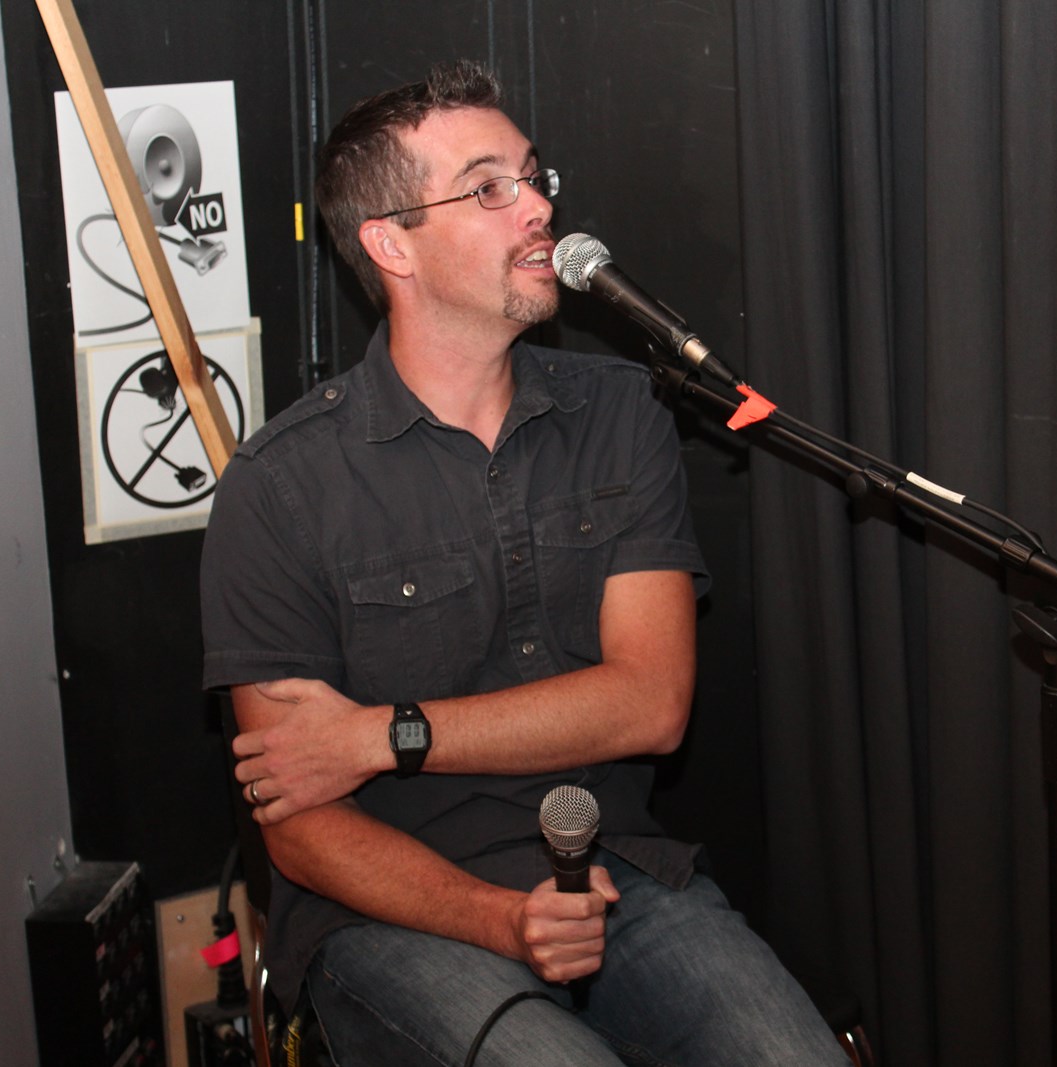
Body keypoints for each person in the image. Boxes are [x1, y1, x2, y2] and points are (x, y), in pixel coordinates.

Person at [200, 60, 847, 1065]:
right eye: (488, 187)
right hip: (396, 909)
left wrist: (383, 733)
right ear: (391, 244)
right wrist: (498, 918)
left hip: (616, 875)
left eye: (534, 176)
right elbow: (301, 824)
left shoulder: (619, 412)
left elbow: (650, 703)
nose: (538, 207)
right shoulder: (280, 486)